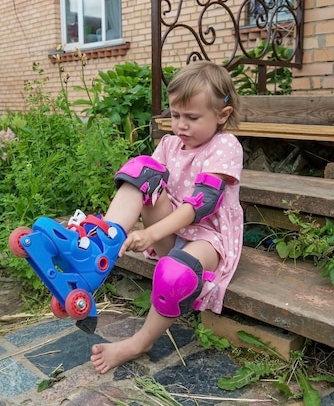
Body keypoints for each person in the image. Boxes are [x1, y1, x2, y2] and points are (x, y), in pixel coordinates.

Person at [89, 60, 244, 374]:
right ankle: (99, 245)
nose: (181, 125)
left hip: (207, 236)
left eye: (192, 117)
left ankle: (139, 342)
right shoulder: (170, 143)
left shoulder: (225, 145)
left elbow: (202, 204)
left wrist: (151, 233)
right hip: (170, 229)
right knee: (142, 172)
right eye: (175, 115)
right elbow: (146, 184)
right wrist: (142, 226)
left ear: (222, 115)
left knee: (175, 276)